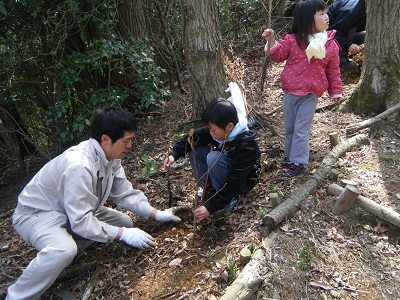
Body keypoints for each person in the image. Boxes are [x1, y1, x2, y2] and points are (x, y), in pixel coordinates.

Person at [6, 107, 181, 300]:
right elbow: (81, 220)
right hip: (37, 214)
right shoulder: (79, 165)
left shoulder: (110, 157)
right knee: (64, 250)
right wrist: (122, 235)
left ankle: (64, 249)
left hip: (68, 212)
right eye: (126, 141)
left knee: (124, 222)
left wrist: (155, 213)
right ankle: (17, 295)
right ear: (105, 139)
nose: (130, 146)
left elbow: (124, 192)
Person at [262, 0, 343, 177]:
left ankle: (297, 162)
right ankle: (290, 157)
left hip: (310, 94)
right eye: (321, 14)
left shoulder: (329, 44)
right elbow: (278, 55)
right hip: (290, 92)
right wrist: (272, 41)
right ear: (307, 19)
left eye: (326, 13)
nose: (326, 17)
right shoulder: (293, 40)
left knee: (301, 129)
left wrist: (335, 91)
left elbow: (333, 70)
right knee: (290, 127)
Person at [163, 97, 261, 221]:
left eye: (213, 130)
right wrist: (174, 155)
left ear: (229, 127)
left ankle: (232, 199)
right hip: (227, 170)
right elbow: (193, 138)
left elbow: (235, 179)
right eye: (210, 129)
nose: (210, 133)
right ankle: (208, 188)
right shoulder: (220, 131)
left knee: (213, 157)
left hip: (243, 181)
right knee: (195, 149)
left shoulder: (245, 145)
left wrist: (211, 207)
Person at [327, 0, 367, 68]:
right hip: (323, 35)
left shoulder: (364, 8)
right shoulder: (351, 12)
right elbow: (332, 34)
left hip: (338, 33)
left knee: (365, 35)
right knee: (352, 28)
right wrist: (349, 44)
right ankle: (341, 60)